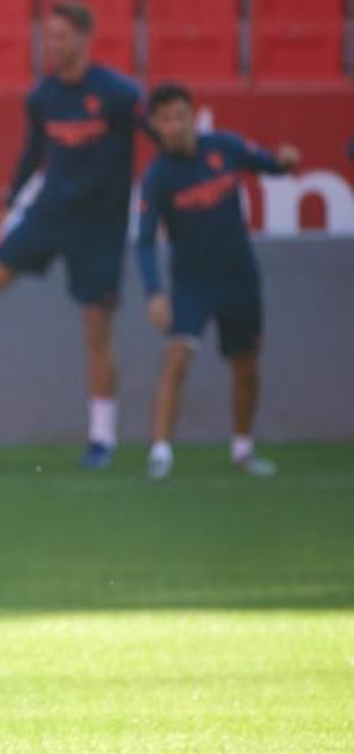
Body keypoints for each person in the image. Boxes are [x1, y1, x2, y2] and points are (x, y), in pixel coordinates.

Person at [0, 1, 145, 469]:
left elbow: (157, 134)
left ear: (86, 39)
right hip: (50, 215)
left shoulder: (119, 94)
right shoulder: (43, 96)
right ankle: (41, 260)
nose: (54, 45)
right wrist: (10, 203)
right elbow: (33, 153)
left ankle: (102, 439)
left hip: (99, 228)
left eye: (62, 37)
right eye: (49, 37)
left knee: (96, 334)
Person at [135, 83, 298, 481]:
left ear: (193, 114)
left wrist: (286, 161)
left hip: (239, 275)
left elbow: (269, 164)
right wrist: (154, 292)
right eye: (165, 119)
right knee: (177, 357)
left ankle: (242, 449)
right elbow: (143, 241)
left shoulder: (224, 147)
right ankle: (160, 453)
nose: (174, 125)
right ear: (155, 126)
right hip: (192, 281)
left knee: (245, 365)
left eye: (179, 115)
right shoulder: (158, 177)